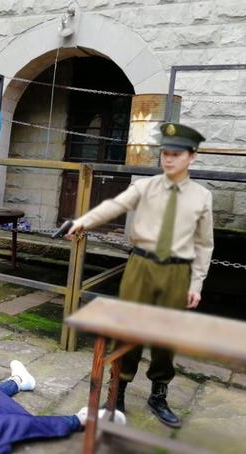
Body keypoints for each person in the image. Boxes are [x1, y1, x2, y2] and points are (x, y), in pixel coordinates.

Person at [65, 123, 214, 429]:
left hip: (177, 271)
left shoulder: (202, 196)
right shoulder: (145, 187)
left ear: (192, 157)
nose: (168, 159)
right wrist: (83, 222)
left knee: (166, 336)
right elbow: (113, 206)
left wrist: (196, 283)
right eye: (165, 153)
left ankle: (158, 395)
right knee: (128, 330)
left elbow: (204, 244)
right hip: (140, 267)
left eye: (176, 154)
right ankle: (116, 393)